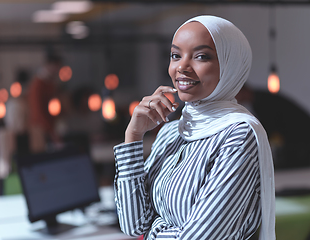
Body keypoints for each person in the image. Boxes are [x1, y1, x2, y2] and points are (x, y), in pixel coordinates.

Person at [113, 16, 275, 240]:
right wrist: (133, 136)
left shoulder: (239, 135)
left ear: (230, 65)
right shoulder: (171, 132)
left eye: (201, 56)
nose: (182, 67)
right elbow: (135, 225)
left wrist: (156, 228)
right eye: (176, 55)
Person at [236, 84, 310, 170]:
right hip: (302, 131)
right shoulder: (260, 99)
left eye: (237, 94)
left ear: (243, 91)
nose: (236, 98)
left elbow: (268, 128)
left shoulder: (262, 102)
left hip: (301, 132)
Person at [27, 54, 62, 153]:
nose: (57, 70)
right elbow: (37, 111)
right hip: (39, 129)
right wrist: (52, 132)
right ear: (49, 65)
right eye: (56, 67)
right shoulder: (37, 85)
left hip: (50, 128)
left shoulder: (52, 83)